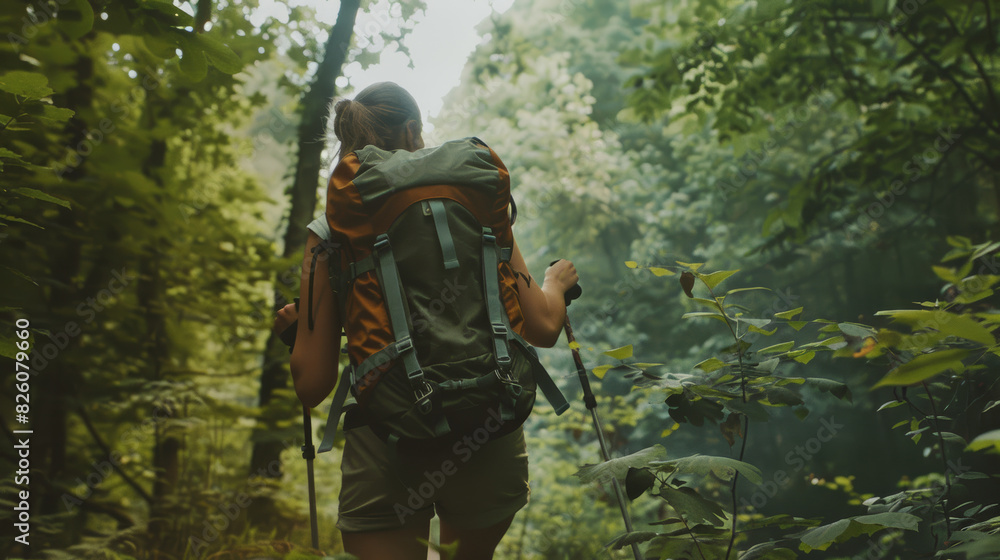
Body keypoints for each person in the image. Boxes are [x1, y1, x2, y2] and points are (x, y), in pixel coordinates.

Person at [276, 82, 578, 560]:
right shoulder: (477, 203)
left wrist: (298, 335)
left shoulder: (330, 233)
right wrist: (555, 285)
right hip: (489, 430)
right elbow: (542, 329)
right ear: (413, 130)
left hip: (386, 445)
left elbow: (312, 385)